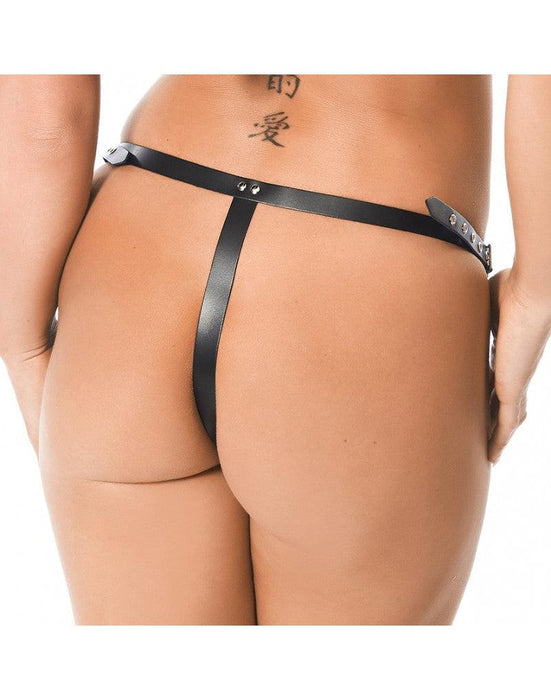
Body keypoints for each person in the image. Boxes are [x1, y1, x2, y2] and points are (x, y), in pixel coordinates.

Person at [0, 74, 549, 625]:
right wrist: (535, 295)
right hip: (371, 261)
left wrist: (23, 343)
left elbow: (48, 122)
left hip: (142, 247)